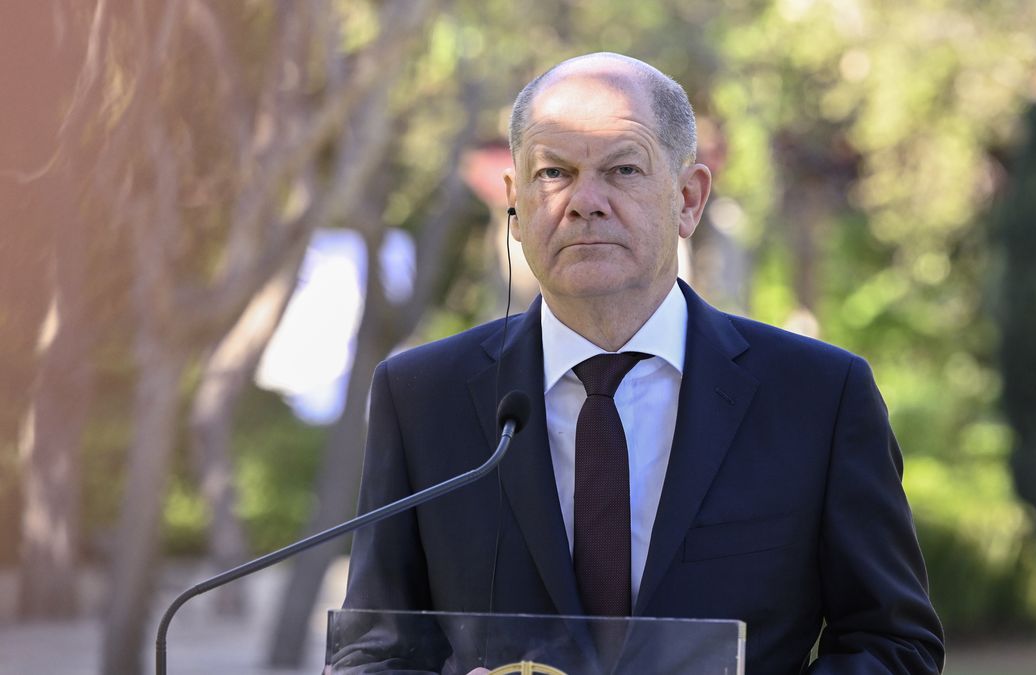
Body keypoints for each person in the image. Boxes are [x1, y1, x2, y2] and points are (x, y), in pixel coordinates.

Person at [340, 52, 945, 674]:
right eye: (554, 172)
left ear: (688, 198)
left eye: (623, 168)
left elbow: (893, 644)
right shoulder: (420, 398)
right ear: (515, 204)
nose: (585, 201)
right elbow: (373, 650)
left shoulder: (819, 396)